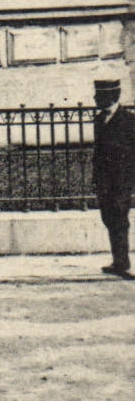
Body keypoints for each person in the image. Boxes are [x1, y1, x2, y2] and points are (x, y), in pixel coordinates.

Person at [92, 76, 135, 279]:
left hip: (122, 180)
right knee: (108, 218)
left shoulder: (128, 120)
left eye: (100, 95)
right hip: (104, 181)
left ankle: (123, 262)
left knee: (120, 218)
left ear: (113, 95)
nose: (95, 98)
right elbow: (98, 152)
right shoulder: (99, 120)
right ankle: (118, 260)